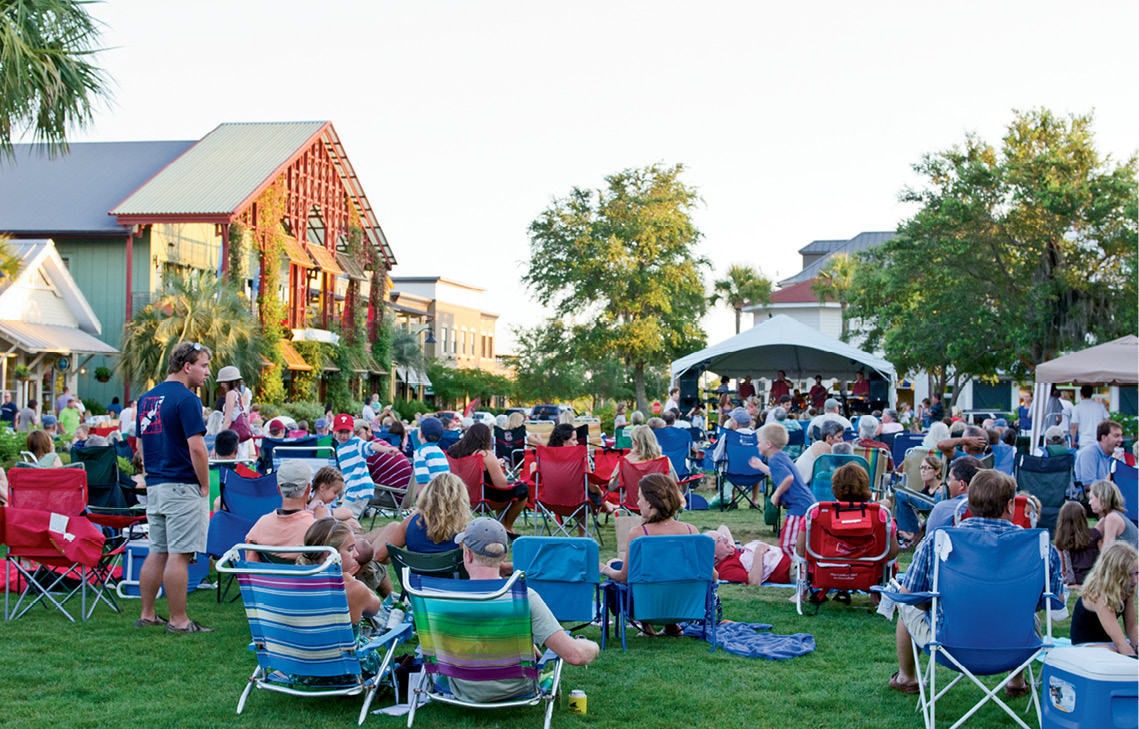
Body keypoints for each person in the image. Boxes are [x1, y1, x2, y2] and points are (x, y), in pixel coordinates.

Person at [888, 469, 1067, 696]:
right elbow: (1057, 601)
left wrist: (936, 603)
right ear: (1010, 505)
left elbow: (908, 595)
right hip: (1017, 646)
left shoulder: (938, 540)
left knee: (905, 604)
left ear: (970, 504)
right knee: (1025, 612)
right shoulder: (1039, 545)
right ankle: (1016, 682)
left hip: (949, 646)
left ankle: (906, 678)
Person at [449, 517, 598, 701]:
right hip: (516, 688)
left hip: (462, 686)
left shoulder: (445, 597)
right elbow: (575, 655)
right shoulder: (524, 597)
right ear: (504, 557)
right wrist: (592, 646)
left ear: (468, 555)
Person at [135, 341, 213, 634]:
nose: (207, 372)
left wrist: (151, 474)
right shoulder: (187, 399)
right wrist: (205, 484)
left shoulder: (146, 399)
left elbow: (140, 446)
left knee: (157, 551)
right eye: (204, 366)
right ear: (187, 366)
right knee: (179, 554)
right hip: (181, 484)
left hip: (155, 485)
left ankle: (147, 614)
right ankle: (179, 621)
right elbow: (198, 448)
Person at [600, 474, 707, 635]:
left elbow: (624, 577)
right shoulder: (691, 531)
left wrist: (604, 569)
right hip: (685, 606)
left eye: (639, 498)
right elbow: (711, 576)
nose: (637, 503)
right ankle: (671, 626)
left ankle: (648, 628)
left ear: (649, 503)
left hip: (649, 608)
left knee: (616, 566)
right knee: (667, 573)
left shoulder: (639, 534)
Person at [798, 462, 899, 562]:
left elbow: (801, 551)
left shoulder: (816, 513)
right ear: (866, 487)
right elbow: (892, 553)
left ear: (834, 488)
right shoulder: (880, 515)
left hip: (824, 570)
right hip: (868, 571)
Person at [298, 518, 382, 627]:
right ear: (329, 556)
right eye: (350, 549)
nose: (356, 554)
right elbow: (375, 606)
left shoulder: (285, 584)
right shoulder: (352, 591)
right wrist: (344, 574)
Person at [446, 423, 528, 533]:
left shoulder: (452, 452)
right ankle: (507, 526)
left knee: (503, 492)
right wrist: (496, 465)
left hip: (461, 497)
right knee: (522, 489)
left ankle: (503, 526)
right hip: (483, 498)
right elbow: (502, 485)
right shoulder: (484, 454)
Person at [371, 472, 471, 563]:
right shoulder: (464, 531)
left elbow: (379, 557)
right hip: (452, 577)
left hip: (417, 577)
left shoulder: (409, 523)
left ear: (428, 495)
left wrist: (401, 561)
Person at [749, 424, 814, 560]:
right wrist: (761, 466)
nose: (757, 445)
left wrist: (776, 494)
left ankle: (795, 567)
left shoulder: (775, 459)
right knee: (800, 543)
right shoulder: (780, 456)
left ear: (768, 444)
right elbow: (778, 474)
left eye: (759, 442)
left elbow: (788, 478)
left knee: (788, 545)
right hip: (805, 505)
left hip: (798, 507)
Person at [244, 460, 325, 562]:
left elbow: (252, 567)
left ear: (278, 489)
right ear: (308, 489)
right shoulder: (317, 532)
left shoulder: (259, 528)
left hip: (266, 573)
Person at [1068, 541, 1137, 655]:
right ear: (1114, 573)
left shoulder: (1126, 588)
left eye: (1137, 573)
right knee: (1111, 652)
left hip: (1110, 643)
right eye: (1129, 575)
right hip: (1086, 645)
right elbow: (1120, 642)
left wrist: (1137, 646)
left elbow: (1132, 627)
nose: (1135, 580)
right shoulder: (1098, 595)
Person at [332, 413, 402, 518]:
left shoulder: (357, 443)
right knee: (347, 518)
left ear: (352, 431)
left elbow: (371, 445)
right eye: (340, 432)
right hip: (352, 488)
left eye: (347, 432)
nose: (344, 435)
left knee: (346, 517)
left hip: (360, 487)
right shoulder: (339, 448)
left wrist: (387, 449)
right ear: (334, 431)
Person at [706, 524, 792, 586]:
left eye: (723, 537)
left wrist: (717, 539)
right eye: (720, 540)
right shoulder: (726, 569)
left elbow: (723, 527)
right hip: (791, 568)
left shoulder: (729, 552)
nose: (726, 540)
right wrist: (759, 552)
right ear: (714, 555)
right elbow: (754, 582)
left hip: (791, 555)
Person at [920, 456, 984, 536]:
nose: (948, 484)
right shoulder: (991, 506)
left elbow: (930, 540)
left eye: (949, 479)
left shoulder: (942, 509)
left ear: (961, 485)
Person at [890, 453, 946, 545]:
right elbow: (915, 511)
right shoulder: (927, 489)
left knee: (901, 493)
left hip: (936, 512)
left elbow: (939, 508)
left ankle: (908, 534)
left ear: (937, 471)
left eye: (927, 468)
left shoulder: (942, 488)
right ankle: (906, 533)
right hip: (928, 515)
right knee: (901, 495)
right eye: (921, 468)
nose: (922, 471)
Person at [1055, 500, 1102, 588]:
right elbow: (1103, 556)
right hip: (1094, 579)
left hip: (1074, 581)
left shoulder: (1061, 540)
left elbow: (1062, 570)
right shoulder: (1095, 534)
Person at [215, 366, 253, 460]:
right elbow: (247, 415)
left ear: (229, 382)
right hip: (242, 436)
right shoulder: (246, 392)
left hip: (230, 437)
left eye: (223, 382)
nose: (222, 385)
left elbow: (227, 421)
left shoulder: (231, 394)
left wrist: (218, 443)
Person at [1088, 479, 1139, 548]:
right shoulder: (1108, 517)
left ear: (1102, 498)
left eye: (1091, 498)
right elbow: (1089, 538)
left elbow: (1107, 551)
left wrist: (1099, 544)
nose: (1089, 502)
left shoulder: (1112, 518)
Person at [1074, 420, 1125, 488]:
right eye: (1116, 436)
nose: (1121, 440)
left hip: (1111, 491)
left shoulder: (1117, 452)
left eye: (1121, 436)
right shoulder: (1089, 453)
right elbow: (1088, 485)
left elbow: (1124, 480)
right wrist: (1114, 465)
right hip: (1092, 493)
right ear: (1103, 438)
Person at [412, 416, 451, 488]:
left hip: (431, 493)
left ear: (421, 434)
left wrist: (421, 495)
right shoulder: (439, 451)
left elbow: (422, 482)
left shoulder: (420, 453)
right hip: (444, 491)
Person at [1070, 386, 1109, 451]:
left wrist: (1073, 441)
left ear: (1081, 394)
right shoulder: (1100, 405)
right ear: (1091, 394)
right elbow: (1108, 420)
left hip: (1084, 441)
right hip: (1098, 440)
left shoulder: (1077, 408)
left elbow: (1074, 425)